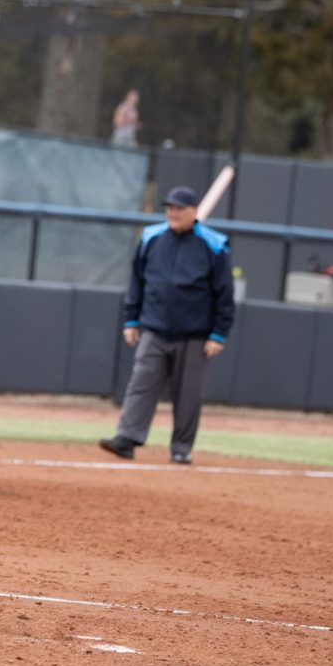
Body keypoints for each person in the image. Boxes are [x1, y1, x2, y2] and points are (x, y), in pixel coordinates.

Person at [99, 186, 235, 464]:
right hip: (154, 326)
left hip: (195, 333)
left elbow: (224, 294)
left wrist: (218, 334)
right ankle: (127, 438)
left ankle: (181, 448)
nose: (173, 213)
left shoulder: (214, 244)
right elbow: (137, 281)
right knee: (140, 384)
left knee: (188, 394)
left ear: (194, 211)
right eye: (170, 207)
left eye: (179, 208)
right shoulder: (151, 237)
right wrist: (131, 319)